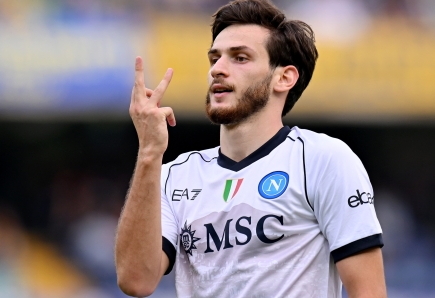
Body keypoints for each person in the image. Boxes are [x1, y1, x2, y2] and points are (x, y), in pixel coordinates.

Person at [114, 0, 386, 297]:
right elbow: (136, 281)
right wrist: (150, 153)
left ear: (284, 78)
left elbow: (368, 292)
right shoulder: (173, 176)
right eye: (214, 59)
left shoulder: (323, 159)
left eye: (239, 58)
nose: (218, 69)